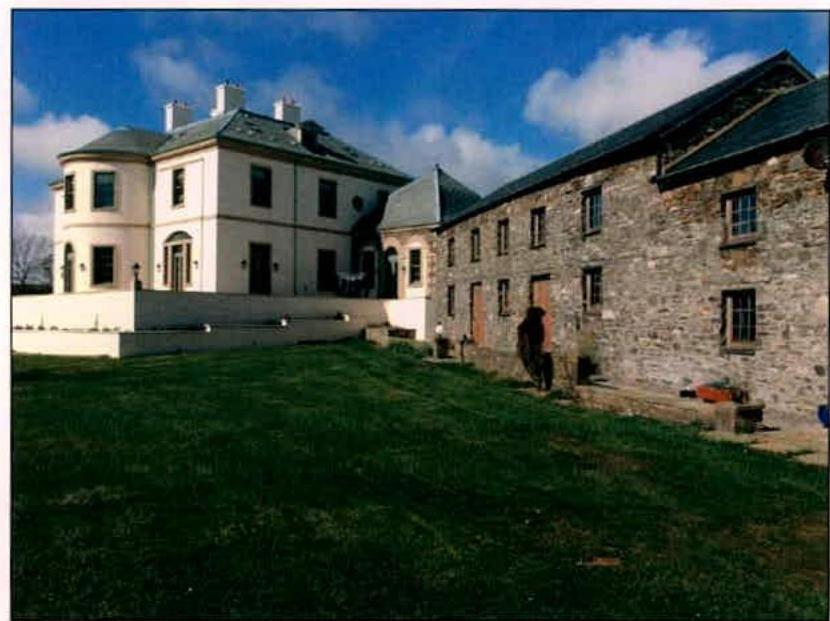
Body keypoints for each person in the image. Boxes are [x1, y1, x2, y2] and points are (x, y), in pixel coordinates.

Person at [517, 306, 553, 391]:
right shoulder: (528, 324)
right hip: (529, 348)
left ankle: (541, 383)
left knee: (538, 365)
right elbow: (523, 336)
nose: (541, 318)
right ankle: (540, 382)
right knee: (534, 365)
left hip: (535, 347)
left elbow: (540, 337)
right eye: (540, 316)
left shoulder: (537, 324)